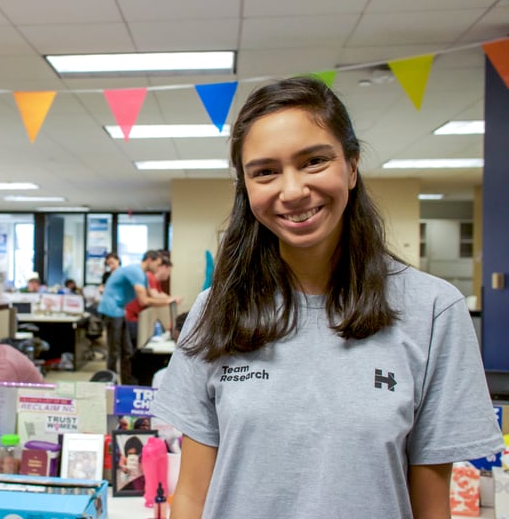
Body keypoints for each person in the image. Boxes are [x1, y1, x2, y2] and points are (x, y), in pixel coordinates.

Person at [151, 77, 503, 519]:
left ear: (352, 167)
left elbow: (431, 506)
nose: (293, 190)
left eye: (314, 161)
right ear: (246, 187)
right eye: (265, 171)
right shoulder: (216, 310)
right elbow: (191, 496)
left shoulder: (432, 311)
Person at [98, 251, 179, 385]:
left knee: (127, 351)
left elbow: (152, 294)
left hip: (119, 311)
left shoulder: (142, 275)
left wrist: (171, 299)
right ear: (149, 260)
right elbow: (144, 301)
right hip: (111, 310)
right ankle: (109, 385)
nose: (158, 268)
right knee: (114, 352)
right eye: (157, 264)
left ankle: (127, 384)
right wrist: (168, 302)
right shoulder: (135, 271)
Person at [124, 259, 173, 345]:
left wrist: (171, 299)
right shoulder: (150, 277)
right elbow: (154, 296)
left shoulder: (154, 280)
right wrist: (170, 300)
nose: (169, 275)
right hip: (132, 317)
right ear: (163, 268)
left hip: (136, 316)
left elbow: (159, 294)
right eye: (169, 271)